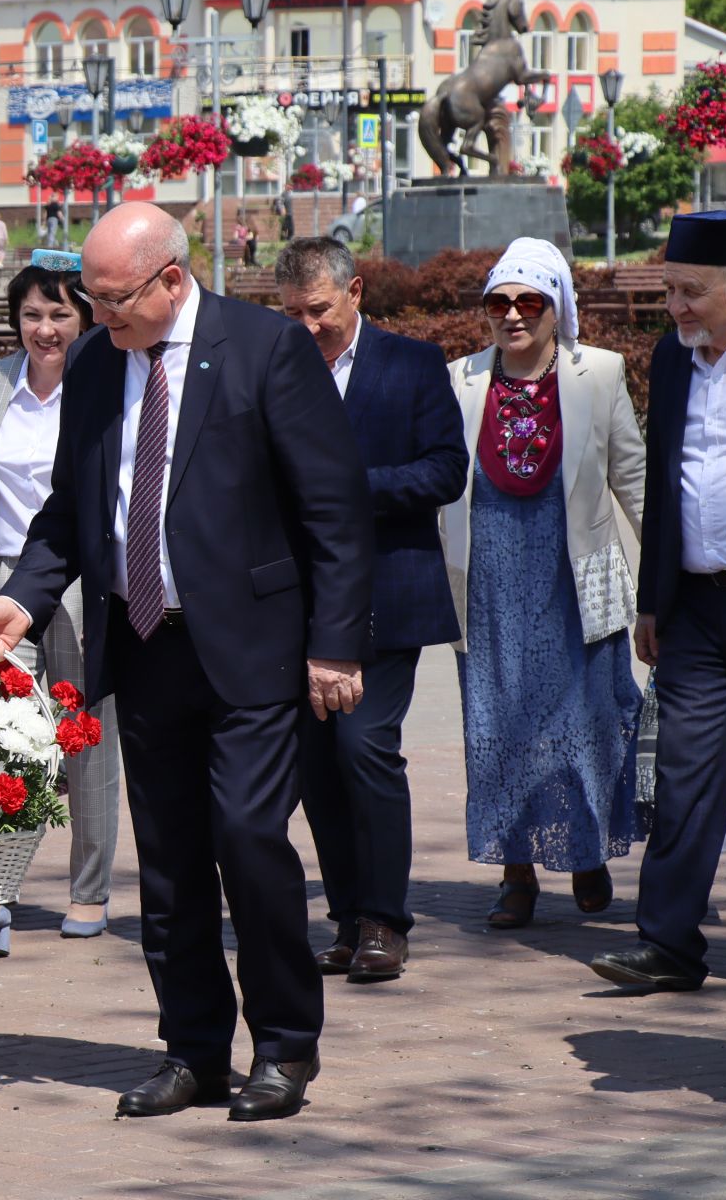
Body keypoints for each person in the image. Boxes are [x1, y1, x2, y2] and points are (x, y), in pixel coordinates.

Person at [0, 203, 372, 1122]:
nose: (93, 320)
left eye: (110, 302)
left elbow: (335, 510)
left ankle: (284, 1047)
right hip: (145, 646)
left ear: (170, 280)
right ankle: (193, 1049)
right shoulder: (105, 362)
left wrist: (336, 644)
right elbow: (70, 509)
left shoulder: (266, 349)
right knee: (173, 862)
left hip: (256, 651)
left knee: (250, 842)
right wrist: (22, 599)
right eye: (88, 301)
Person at [274, 239, 466, 983]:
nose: (307, 326)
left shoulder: (412, 365)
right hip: (300, 602)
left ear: (354, 291)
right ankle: (349, 919)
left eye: (318, 310)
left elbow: (447, 468)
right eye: (291, 314)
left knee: (364, 749)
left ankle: (387, 920)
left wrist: (352, 487)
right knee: (317, 766)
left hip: (389, 593)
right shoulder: (278, 366)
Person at [442, 239, 645, 931]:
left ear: (558, 307)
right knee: (498, 723)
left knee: (584, 720)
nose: (513, 315)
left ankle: (585, 850)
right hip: (490, 580)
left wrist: (672, 582)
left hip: (577, 576)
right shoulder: (459, 379)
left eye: (529, 301)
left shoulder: (600, 373)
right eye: (499, 302)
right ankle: (516, 871)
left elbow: (632, 478)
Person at [0, 251, 122, 954]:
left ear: (86, 318)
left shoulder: (105, 384)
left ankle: (88, 890)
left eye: (60, 314)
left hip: (81, 585)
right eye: (32, 315)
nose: (45, 330)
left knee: (85, 743)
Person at [592, 211, 726, 992]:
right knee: (683, 777)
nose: (677, 308)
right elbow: (662, 492)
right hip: (694, 611)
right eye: (670, 291)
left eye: (694, 292)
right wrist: (652, 601)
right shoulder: (673, 360)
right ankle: (669, 944)